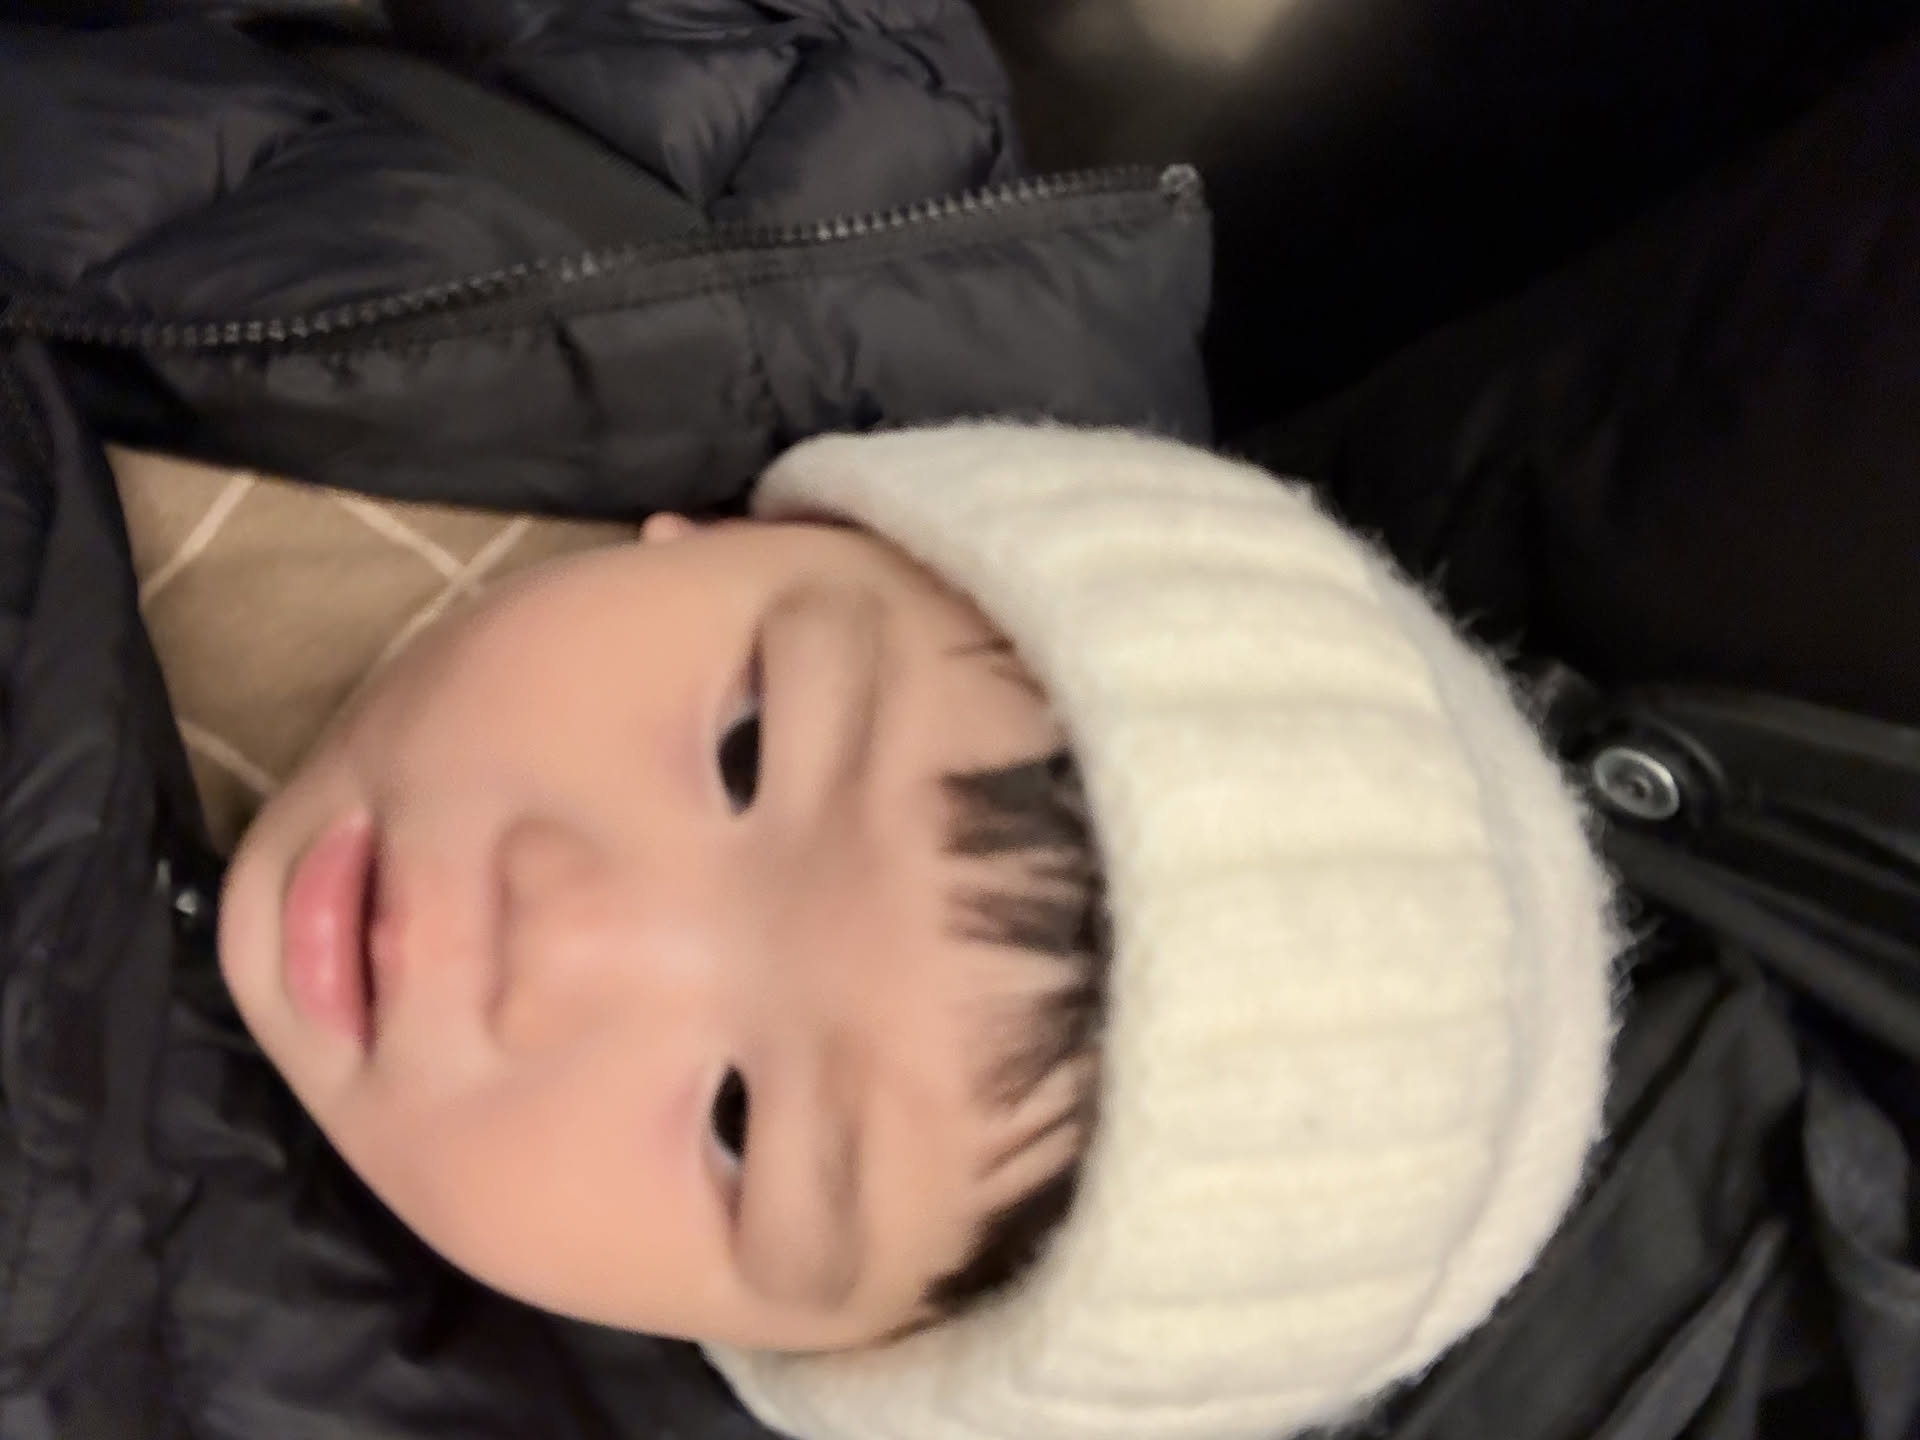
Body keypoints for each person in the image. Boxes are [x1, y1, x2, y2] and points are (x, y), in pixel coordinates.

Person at [0, 7, 1621, 1439]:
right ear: (790, 526)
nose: (556, 933)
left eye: (740, 1123)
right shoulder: (767, 133)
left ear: (791, 1362)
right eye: (747, 754)